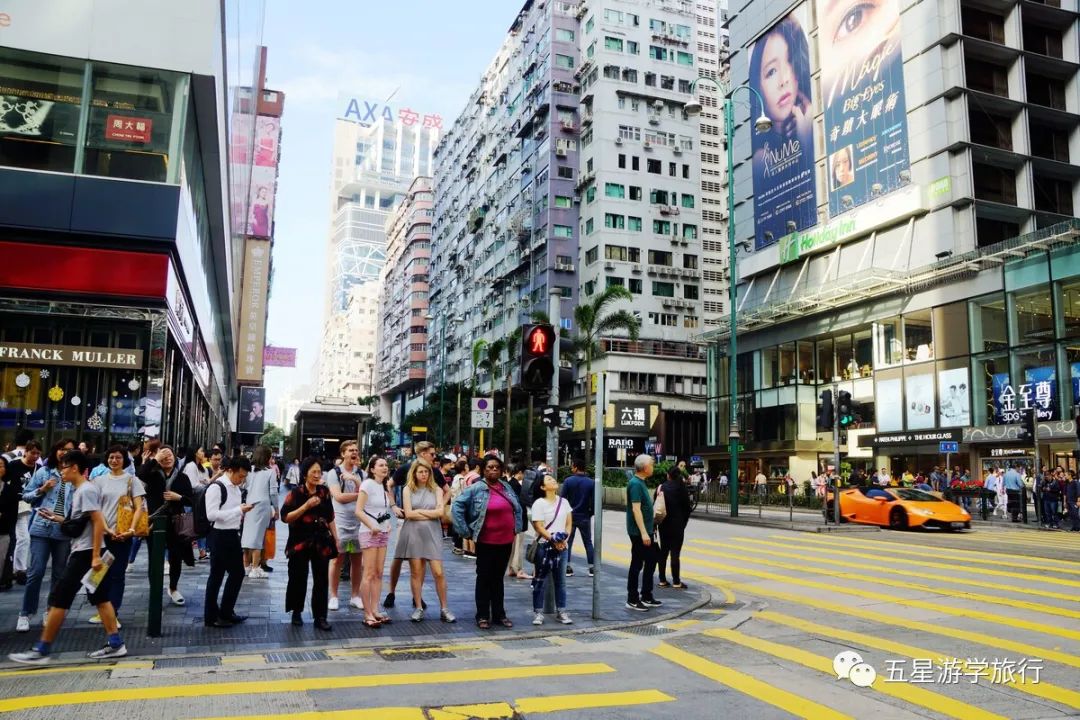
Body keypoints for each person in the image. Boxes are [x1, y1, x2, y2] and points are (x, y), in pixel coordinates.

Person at [9, 450, 129, 665]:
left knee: (59, 598)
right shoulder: (82, 490)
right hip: (90, 552)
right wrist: (57, 518)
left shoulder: (86, 490)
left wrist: (94, 557)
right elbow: (87, 522)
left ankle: (42, 649)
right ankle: (116, 643)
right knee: (100, 598)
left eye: (64, 467)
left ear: (74, 468)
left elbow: (98, 522)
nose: (61, 471)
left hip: (86, 554)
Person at [451, 454, 522, 629]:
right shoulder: (476, 488)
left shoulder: (506, 487)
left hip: (505, 541)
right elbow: (457, 506)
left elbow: (517, 508)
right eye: (489, 467)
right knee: (484, 578)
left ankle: (499, 614)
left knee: (498, 579)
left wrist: (516, 528)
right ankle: (482, 615)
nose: (493, 470)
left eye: (496, 467)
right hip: (485, 541)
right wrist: (465, 531)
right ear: (483, 470)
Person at [16, 439, 73, 633]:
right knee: (36, 571)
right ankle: (25, 612)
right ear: (56, 451)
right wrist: (42, 489)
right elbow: (25, 495)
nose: (65, 453)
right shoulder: (44, 472)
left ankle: (50, 610)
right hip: (41, 527)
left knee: (58, 575)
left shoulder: (74, 475)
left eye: (69, 450)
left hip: (63, 530)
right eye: (62, 449)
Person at [89, 445, 146, 626]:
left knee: (117, 574)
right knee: (97, 574)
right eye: (111, 457)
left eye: (118, 458)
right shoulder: (98, 481)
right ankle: (102, 610)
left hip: (123, 535)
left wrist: (131, 529)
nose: (114, 460)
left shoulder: (132, 480)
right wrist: (105, 528)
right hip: (103, 534)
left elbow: (139, 508)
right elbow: (95, 509)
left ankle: (113, 612)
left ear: (124, 460)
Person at [384, 441, 444, 608]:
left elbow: (446, 491)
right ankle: (391, 591)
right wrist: (394, 505)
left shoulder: (434, 472)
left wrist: (440, 505)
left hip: (427, 522)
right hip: (407, 520)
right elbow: (389, 484)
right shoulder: (406, 468)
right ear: (422, 453)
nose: (434, 457)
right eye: (431, 454)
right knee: (398, 557)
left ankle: (417, 596)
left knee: (422, 559)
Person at [395, 458, 455, 623]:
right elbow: (408, 514)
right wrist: (428, 512)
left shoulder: (436, 489)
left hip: (432, 532)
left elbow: (440, 513)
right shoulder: (407, 489)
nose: (424, 474)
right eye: (420, 471)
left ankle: (444, 608)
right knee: (416, 571)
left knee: (438, 571)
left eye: (426, 472)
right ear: (414, 473)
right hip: (413, 533)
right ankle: (418, 607)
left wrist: (419, 511)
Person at [281, 456, 337, 630]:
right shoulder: (295, 493)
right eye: (313, 471)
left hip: (321, 541)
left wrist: (336, 538)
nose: (317, 475)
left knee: (321, 579)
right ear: (305, 474)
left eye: (319, 471)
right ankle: (296, 611)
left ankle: (320, 616)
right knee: (298, 577)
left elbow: (330, 517)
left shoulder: (324, 492)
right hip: (300, 542)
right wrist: (305, 506)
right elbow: (285, 517)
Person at [202, 456, 254, 628]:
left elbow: (232, 512)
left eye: (244, 476)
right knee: (216, 576)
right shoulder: (217, 487)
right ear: (230, 470)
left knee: (237, 573)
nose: (242, 479)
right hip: (219, 535)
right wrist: (238, 510)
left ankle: (226, 611)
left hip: (232, 535)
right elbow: (211, 514)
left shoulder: (236, 489)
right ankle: (211, 616)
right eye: (240, 475)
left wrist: (241, 511)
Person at [139, 446, 193, 606]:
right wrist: (154, 459)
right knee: (154, 557)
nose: (167, 458)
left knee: (175, 557)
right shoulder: (153, 475)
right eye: (163, 455)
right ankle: (154, 588)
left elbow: (191, 499)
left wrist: (180, 498)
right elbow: (140, 474)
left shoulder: (182, 477)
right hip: (155, 522)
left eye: (170, 455)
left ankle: (173, 588)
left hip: (176, 523)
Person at [529, 474, 573, 626]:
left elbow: (568, 524)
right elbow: (539, 526)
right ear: (542, 487)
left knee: (561, 581)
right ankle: (538, 612)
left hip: (562, 547)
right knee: (541, 580)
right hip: (544, 546)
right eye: (549, 480)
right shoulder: (539, 503)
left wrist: (563, 540)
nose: (553, 480)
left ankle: (561, 611)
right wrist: (553, 540)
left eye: (553, 478)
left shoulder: (564, 502)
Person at [326, 440, 364, 611]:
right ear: (343, 454)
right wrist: (359, 494)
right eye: (350, 450)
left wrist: (355, 481)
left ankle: (355, 596)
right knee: (337, 559)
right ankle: (333, 596)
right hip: (340, 522)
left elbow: (368, 494)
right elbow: (338, 497)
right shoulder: (334, 473)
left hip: (358, 522)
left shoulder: (361, 473)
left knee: (357, 560)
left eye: (356, 450)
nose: (354, 453)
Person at [357, 456, 394, 628]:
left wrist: (387, 523)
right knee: (369, 573)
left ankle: (375, 609)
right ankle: (367, 614)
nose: (384, 468)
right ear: (372, 469)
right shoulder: (367, 485)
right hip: (368, 533)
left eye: (386, 465)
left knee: (379, 573)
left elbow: (382, 512)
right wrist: (372, 525)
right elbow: (359, 511)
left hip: (383, 532)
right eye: (380, 465)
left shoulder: (384, 486)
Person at [625, 454, 661, 612]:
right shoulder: (635, 484)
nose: (653, 467)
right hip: (639, 532)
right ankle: (632, 599)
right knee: (637, 564)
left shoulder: (640, 482)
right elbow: (636, 509)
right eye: (652, 465)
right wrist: (644, 533)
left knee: (652, 560)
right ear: (645, 468)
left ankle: (646, 595)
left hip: (646, 530)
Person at [241, 445, 278, 579]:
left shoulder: (249, 470)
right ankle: (255, 568)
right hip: (263, 505)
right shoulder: (270, 472)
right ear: (267, 457)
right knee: (258, 537)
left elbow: (243, 486)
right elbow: (273, 493)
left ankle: (246, 566)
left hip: (249, 505)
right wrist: (277, 509)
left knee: (247, 536)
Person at [657, 466, 692, 590]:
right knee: (675, 553)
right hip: (677, 525)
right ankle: (676, 582)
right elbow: (688, 508)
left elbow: (655, 506)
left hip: (663, 524)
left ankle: (662, 580)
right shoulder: (682, 488)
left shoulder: (662, 487)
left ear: (668, 475)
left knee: (663, 551)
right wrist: (683, 522)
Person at [561, 455, 594, 578]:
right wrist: (590, 513)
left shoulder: (568, 481)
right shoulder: (591, 482)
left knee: (568, 542)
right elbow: (595, 501)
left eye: (572, 466)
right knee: (588, 542)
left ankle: (567, 567)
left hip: (570, 516)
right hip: (585, 516)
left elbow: (563, 499)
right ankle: (591, 568)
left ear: (575, 468)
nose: (571, 469)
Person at [504, 463, 532, 581]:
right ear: (520, 472)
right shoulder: (517, 486)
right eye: (524, 474)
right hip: (519, 520)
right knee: (518, 546)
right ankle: (518, 569)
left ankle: (511, 568)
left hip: (512, 520)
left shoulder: (509, 484)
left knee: (513, 546)